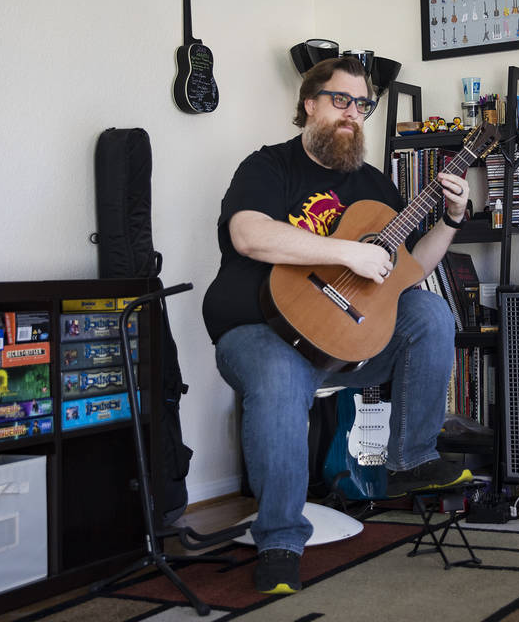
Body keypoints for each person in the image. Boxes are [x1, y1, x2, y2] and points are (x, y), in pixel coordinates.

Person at [202, 56, 474, 596]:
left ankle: (410, 458)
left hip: (345, 342)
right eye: (341, 100)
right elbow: (249, 235)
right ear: (310, 104)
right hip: (260, 330)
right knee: (280, 383)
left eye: (363, 105)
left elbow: (408, 269)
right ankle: (279, 543)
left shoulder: (374, 187)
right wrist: (346, 251)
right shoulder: (268, 166)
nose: (353, 113)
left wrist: (450, 219)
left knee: (431, 314)